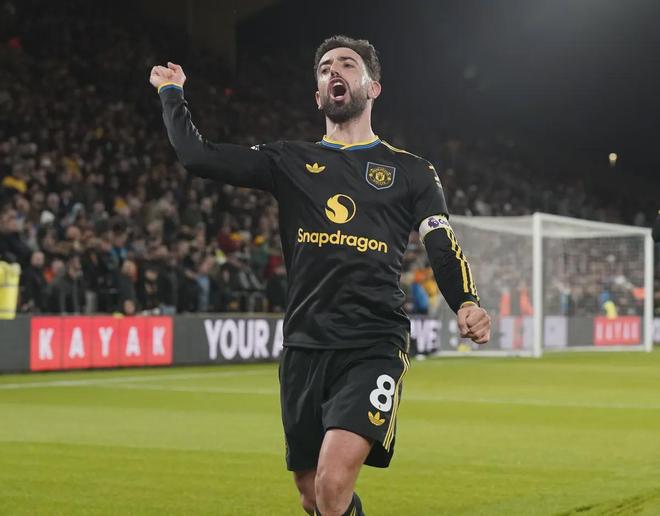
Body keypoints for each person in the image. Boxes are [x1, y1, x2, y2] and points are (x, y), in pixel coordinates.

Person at [150, 35, 491, 516]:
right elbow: (198, 156)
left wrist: (465, 300)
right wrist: (172, 94)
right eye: (326, 67)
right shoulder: (289, 160)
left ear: (373, 88)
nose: (335, 71)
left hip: (372, 342)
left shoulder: (411, 171)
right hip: (304, 346)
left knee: (332, 486)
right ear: (317, 95)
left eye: (348, 64)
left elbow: (440, 240)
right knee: (312, 495)